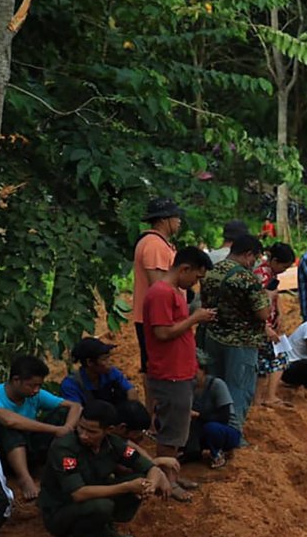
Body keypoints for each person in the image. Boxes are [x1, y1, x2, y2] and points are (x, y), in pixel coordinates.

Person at [40, 398, 164, 537]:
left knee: (138, 481)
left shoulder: (113, 443)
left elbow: (151, 468)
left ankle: (101, 527)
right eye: (81, 427)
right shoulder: (64, 447)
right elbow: (78, 493)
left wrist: (150, 485)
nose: (83, 435)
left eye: (91, 431)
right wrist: (127, 487)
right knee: (102, 505)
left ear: (108, 430)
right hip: (60, 509)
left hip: (93, 494)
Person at [0, 355, 80, 501]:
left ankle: (58, 466)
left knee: (62, 413)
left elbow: (75, 406)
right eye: (32, 385)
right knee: (10, 428)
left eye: (39, 386)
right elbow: (10, 421)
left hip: (26, 449)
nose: (36, 390)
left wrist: (67, 427)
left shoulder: (34, 395)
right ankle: (24, 479)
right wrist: (55, 430)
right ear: (16, 380)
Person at [141, 245, 214, 460]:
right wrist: (195, 318)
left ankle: (172, 474)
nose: (195, 283)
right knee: (170, 433)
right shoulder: (161, 293)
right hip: (169, 373)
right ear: (184, 269)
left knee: (178, 429)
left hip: (180, 372)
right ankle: (167, 478)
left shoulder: (173, 292)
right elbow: (162, 333)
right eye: (196, 276)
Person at [198, 234, 271, 429]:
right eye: (255, 258)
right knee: (238, 390)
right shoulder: (246, 278)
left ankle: (212, 430)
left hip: (213, 337)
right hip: (241, 343)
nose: (254, 263)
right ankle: (232, 433)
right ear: (249, 255)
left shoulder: (211, 272)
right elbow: (263, 313)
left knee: (215, 387)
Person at [128, 197, 184, 369]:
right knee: (156, 367)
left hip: (153, 317)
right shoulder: (154, 245)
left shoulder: (156, 243)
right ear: (163, 220)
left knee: (153, 365)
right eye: (175, 216)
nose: (179, 221)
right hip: (156, 319)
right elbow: (159, 288)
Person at [61, 337, 147, 431]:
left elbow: (130, 391)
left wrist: (132, 415)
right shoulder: (71, 384)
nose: (109, 362)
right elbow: (76, 413)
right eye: (104, 359)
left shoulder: (110, 372)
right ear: (90, 362)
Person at [253, 243, 295, 409]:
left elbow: (274, 298)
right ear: (275, 261)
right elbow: (256, 304)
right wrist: (266, 327)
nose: (284, 270)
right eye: (284, 267)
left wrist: (279, 313)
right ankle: (267, 397)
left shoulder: (268, 274)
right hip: (263, 327)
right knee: (278, 357)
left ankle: (260, 399)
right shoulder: (261, 276)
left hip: (269, 324)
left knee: (265, 363)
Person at [186, 355, 242, 468]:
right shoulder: (189, 386)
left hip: (225, 429)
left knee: (211, 428)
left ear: (204, 371)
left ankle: (217, 453)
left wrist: (198, 415)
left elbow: (224, 417)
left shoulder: (217, 385)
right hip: (201, 427)